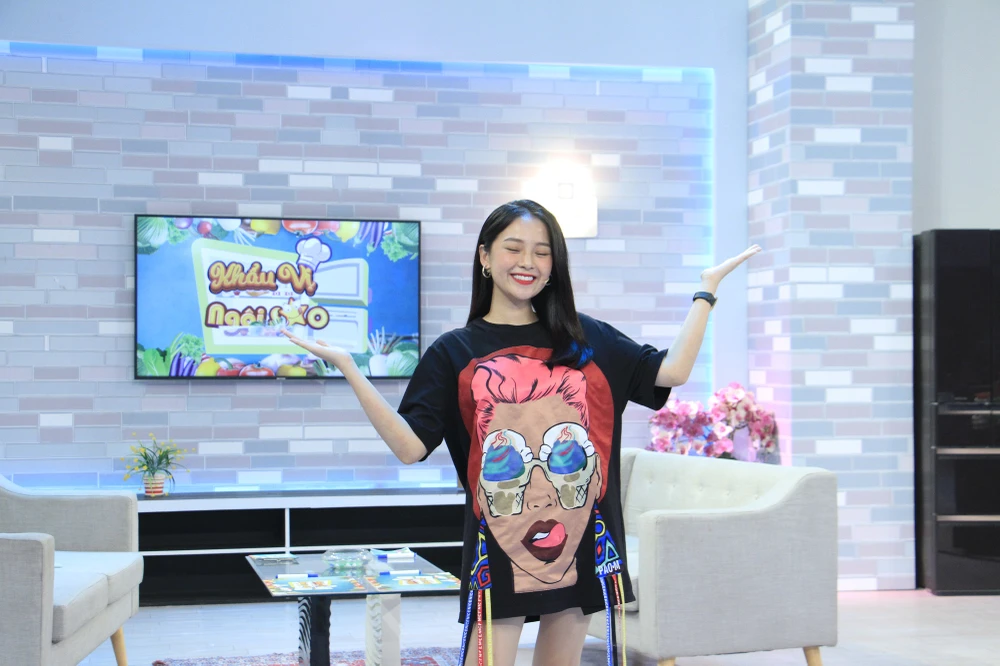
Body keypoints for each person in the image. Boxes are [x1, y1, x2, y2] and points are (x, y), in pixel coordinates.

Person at [283, 200, 760, 666]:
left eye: (542, 251)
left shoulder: (586, 340)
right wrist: (350, 369)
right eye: (513, 248)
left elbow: (671, 371)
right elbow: (410, 447)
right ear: (485, 257)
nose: (527, 262)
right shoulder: (453, 353)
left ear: (554, 266)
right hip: (500, 541)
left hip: (582, 536)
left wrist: (706, 291)